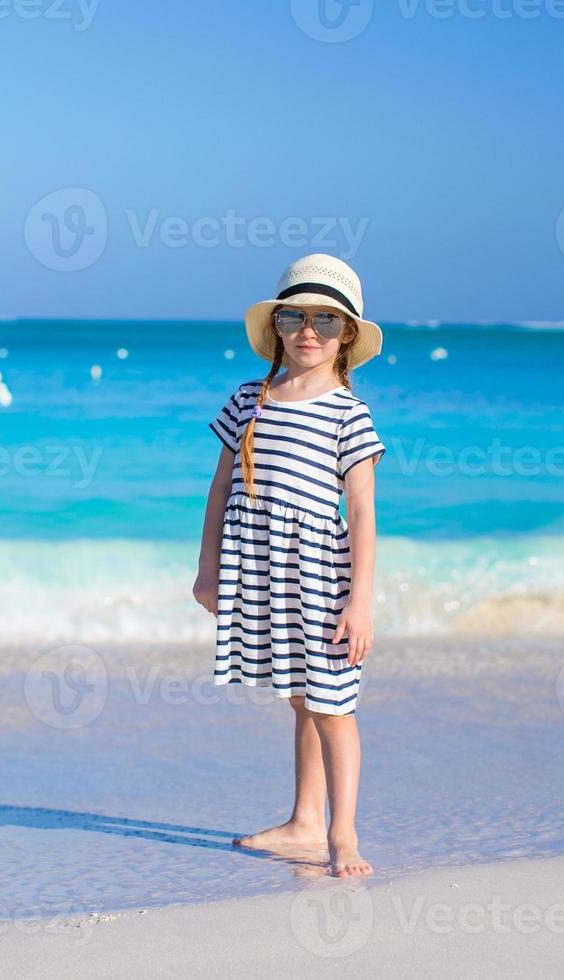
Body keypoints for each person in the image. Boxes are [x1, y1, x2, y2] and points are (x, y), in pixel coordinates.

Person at [193, 254, 386, 878]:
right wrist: (208, 567)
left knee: (333, 704)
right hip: (262, 568)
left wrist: (359, 601)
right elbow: (220, 488)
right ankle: (303, 822)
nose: (310, 330)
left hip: (320, 575)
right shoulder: (250, 398)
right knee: (303, 699)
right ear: (277, 326)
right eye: (296, 317)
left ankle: (343, 835)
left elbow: (361, 512)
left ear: (346, 335)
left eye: (327, 320)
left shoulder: (346, 413)